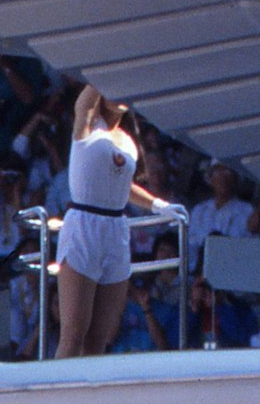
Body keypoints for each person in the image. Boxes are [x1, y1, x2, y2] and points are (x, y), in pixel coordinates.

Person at [55, 86, 178, 359]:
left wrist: (159, 205)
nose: (120, 91)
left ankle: (90, 399)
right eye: (113, 86)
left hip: (116, 228)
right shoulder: (87, 123)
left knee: (99, 337)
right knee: (73, 333)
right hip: (84, 224)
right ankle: (58, 397)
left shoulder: (127, 140)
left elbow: (123, 186)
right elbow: (91, 86)